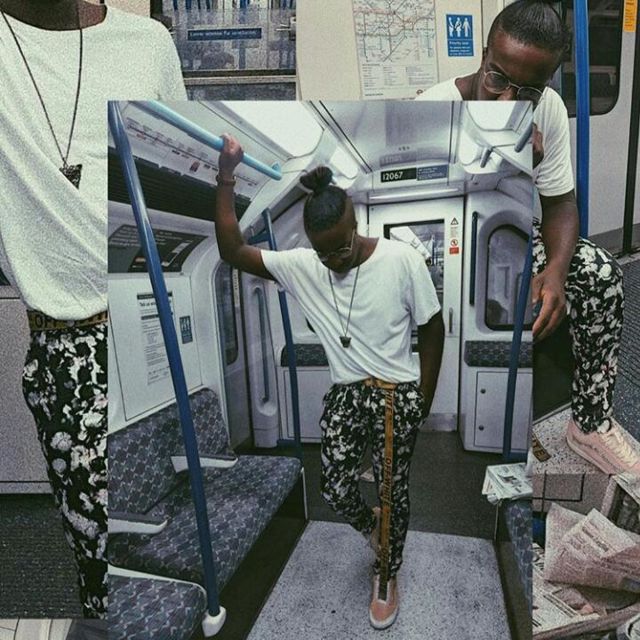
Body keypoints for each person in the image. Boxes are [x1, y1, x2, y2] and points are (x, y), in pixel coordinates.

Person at [0, 0, 186, 618]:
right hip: (66, 349)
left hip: (139, 322)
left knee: (142, 525)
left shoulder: (149, 44)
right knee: (96, 562)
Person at [215, 135, 445, 629]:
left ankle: (386, 573)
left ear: (356, 224)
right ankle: (375, 530)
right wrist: (226, 175)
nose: (334, 260)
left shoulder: (402, 260)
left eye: (341, 247)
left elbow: (432, 328)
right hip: (346, 393)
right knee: (336, 485)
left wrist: (423, 400)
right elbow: (232, 250)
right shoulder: (304, 266)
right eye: (324, 253)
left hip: (394, 391)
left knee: (392, 489)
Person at [417, 0, 639, 475]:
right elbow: (432, 214)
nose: (507, 101)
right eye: (497, 79)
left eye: (528, 91)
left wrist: (555, 273)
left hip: (509, 234)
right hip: (446, 243)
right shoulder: (431, 110)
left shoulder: (548, 109)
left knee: (601, 274)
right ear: (483, 57)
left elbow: (560, 204)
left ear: (546, 85)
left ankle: (590, 421)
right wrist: (510, 168)